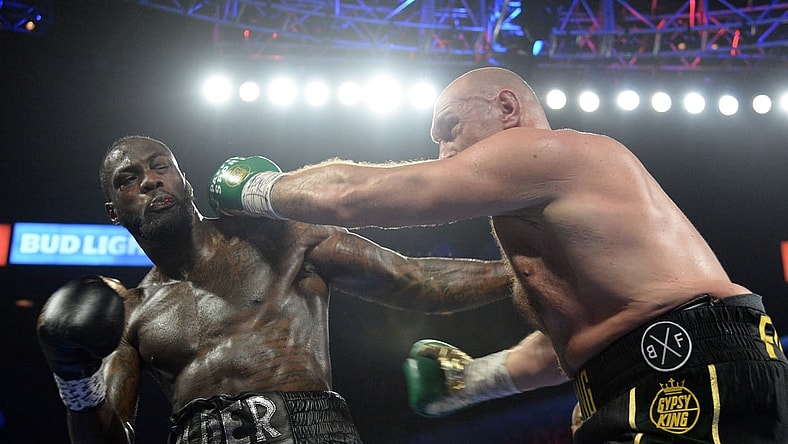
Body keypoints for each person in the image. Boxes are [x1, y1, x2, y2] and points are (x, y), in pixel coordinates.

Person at [207, 66, 788, 443]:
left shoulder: (549, 152)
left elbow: (362, 195)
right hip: (655, 370)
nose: (443, 148)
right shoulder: (548, 215)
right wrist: (475, 381)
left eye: (451, 126)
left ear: (509, 109)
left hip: (689, 368)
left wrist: (258, 190)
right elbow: (590, 336)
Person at [36, 135, 516, 444]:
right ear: (113, 211)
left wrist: (526, 274)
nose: (150, 180)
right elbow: (109, 437)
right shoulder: (131, 312)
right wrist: (73, 381)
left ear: (183, 179)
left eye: (160, 165)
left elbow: (415, 280)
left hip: (310, 429)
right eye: (130, 179)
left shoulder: (278, 238)